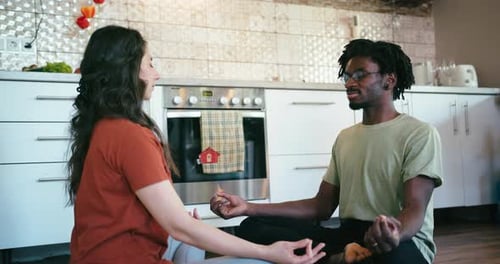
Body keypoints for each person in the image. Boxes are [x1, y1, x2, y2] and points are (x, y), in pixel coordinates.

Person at [66, 25, 326, 264]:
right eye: (150, 64)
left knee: (187, 234)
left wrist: (182, 227)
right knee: (261, 261)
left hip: (92, 255)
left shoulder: (102, 127)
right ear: (129, 70)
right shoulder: (129, 135)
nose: (157, 74)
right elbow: (180, 226)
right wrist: (267, 251)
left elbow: (166, 223)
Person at [210, 39, 443, 264]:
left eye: (361, 75)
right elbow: (320, 207)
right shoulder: (346, 138)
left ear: (389, 80)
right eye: (347, 76)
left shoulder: (419, 133)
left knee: (388, 255)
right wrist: (248, 207)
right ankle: (341, 258)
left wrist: (394, 233)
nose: (350, 83)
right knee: (252, 226)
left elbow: (415, 207)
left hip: (400, 240)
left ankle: (336, 259)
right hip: (349, 237)